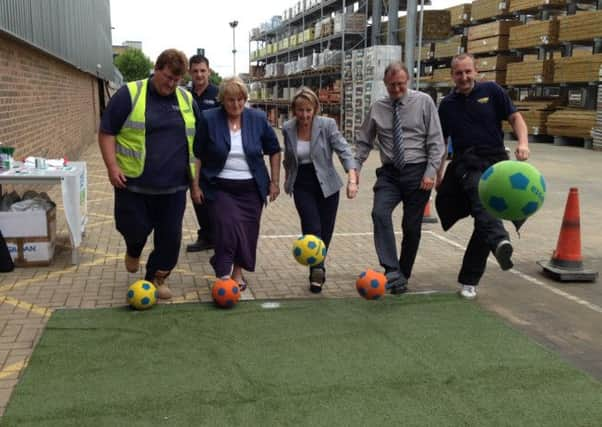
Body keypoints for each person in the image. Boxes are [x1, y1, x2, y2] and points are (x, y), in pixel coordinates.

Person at [98, 49, 197, 300]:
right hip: (133, 184)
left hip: (174, 187)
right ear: (157, 68)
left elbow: (199, 141)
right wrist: (112, 167)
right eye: (168, 78)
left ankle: (156, 277)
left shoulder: (186, 100)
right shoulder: (129, 94)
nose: (172, 84)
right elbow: (107, 132)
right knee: (133, 228)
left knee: (170, 239)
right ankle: (134, 248)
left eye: (177, 80)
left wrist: (196, 183)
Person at [436, 53, 530, 300]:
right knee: (482, 199)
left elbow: (515, 118)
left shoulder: (493, 91)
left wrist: (523, 143)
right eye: (459, 73)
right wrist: (438, 174)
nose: (464, 77)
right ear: (452, 76)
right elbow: (441, 143)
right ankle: (500, 241)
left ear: (476, 71)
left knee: (484, 220)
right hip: (467, 163)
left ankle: (469, 280)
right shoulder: (447, 105)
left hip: (498, 162)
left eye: (468, 72)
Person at [355, 62, 445, 295]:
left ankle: (402, 275)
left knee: (411, 227)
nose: (396, 89)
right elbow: (364, 141)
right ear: (385, 84)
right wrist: (355, 170)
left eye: (400, 84)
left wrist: (430, 173)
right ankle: (391, 269)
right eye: (392, 85)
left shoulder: (424, 102)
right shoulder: (378, 108)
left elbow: (436, 141)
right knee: (379, 213)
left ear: (408, 82)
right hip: (390, 174)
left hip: (418, 173)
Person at [192, 77, 281, 290]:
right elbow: (197, 154)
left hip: (251, 188)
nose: (236, 105)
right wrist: (195, 186)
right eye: (231, 100)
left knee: (247, 231)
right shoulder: (208, 118)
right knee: (227, 228)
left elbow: (275, 150)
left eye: (241, 99)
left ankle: (238, 272)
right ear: (222, 100)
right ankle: (223, 272)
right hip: (220, 186)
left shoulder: (257, 118)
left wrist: (275, 182)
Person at [282, 87, 358, 293]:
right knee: (312, 227)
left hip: (328, 185)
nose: (305, 115)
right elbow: (289, 158)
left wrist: (352, 178)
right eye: (300, 110)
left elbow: (344, 150)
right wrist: (286, 178)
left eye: (308, 110)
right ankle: (318, 269)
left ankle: (317, 267)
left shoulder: (327, 125)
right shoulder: (288, 128)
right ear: (294, 110)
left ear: (315, 109)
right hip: (302, 184)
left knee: (325, 231)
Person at [186, 54, 220, 253]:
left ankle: (218, 234)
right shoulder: (184, 96)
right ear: (189, 72)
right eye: (195, 71)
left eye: (203, 70)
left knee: (214, 197)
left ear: (209, 71)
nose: (199, 75)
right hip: (191, 155)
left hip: (213, 154)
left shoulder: (218, 95)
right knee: (196, 194)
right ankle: (206, 235)